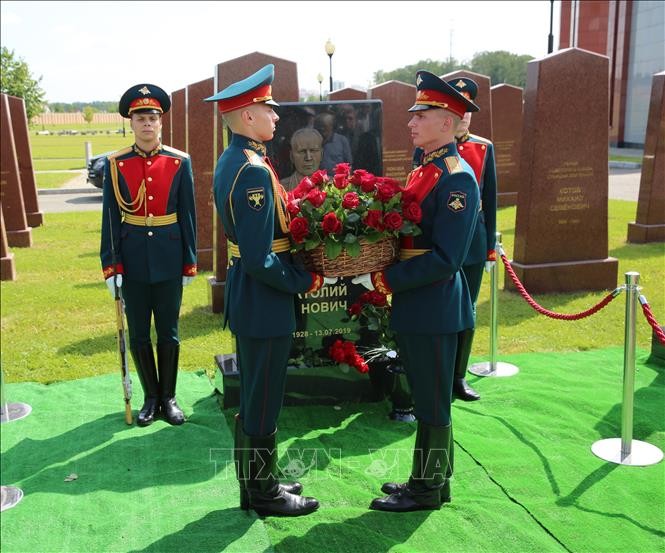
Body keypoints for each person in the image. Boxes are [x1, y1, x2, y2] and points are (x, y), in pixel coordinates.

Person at [204, 64, 335, 517]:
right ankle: (263, 494)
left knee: (261, 393)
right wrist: (303, 280)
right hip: (264, 298)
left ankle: (261, 480)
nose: (277, 117)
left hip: (255, 296)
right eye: (268, 108)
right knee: (262, 399)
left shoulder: (238, 160)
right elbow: (260, 256)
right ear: (245, 116)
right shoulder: (253, 170)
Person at [353, 70, 480, 512]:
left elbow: (447, 257)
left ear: (447, 121)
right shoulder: (425, 168)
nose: (411, 122)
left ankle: (425, 491)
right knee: (428, 396)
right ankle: (431, 481)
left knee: (431, 402)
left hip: (435, 306)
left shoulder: (456, 178)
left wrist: (387, 280)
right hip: (419, 304)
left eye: (421, 115)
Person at [100, 83, 197, 427]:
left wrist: (189, 260)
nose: (147, 124)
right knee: (139, 332)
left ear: (160, 122)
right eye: (140, 117)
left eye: (152, 117)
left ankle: (168, 398)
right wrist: (111, 267)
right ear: (131, 122)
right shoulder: (116, 164)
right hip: (134, 262)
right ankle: (150, 397)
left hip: (170, 259)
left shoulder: (178, 161)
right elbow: (111, 219)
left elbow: (187, 215)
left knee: (168, 331)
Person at [446, 77, 498, 402]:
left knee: (468, 311)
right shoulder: (431, 147)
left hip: (474, 244)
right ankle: (438, 368)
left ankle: (458, 376)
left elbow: (490, 200)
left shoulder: (484, 147)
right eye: (459, 107)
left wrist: (490, 247)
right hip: (444, 242)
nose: (464, 116)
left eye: (469, 109)